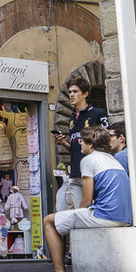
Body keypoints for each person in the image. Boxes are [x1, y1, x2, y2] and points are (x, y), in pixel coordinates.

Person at [35, 127, 132, 272]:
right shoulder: (113, 159)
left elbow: (86, 200)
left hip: (105, 216)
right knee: (68, 219)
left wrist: (76, 213)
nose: (79, 143)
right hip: (123, 218)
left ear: (90, 144)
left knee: (48, 221)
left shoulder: (88, 160)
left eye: (82, 140)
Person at [51, 77, 108, 212]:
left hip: (92, 172)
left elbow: (105, 143)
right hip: (75, 173)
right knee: (79, 213)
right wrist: (63, 142)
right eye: (70, 92)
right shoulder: (72, 118)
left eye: (75, 91)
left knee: (95, 212)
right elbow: (76, 148)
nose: (71, 95)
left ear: (85, 94)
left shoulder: (97, 114)